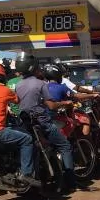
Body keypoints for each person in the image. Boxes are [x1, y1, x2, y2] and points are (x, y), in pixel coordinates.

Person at [14, 53, 76, 190]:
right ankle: (71, 182)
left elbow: (19, 104)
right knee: (65, 146)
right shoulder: (41, 83)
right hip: (42, 123)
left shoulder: (18, 85)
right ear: (33, 68)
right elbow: (51, 105)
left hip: (26, 124)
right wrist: (65, 103)